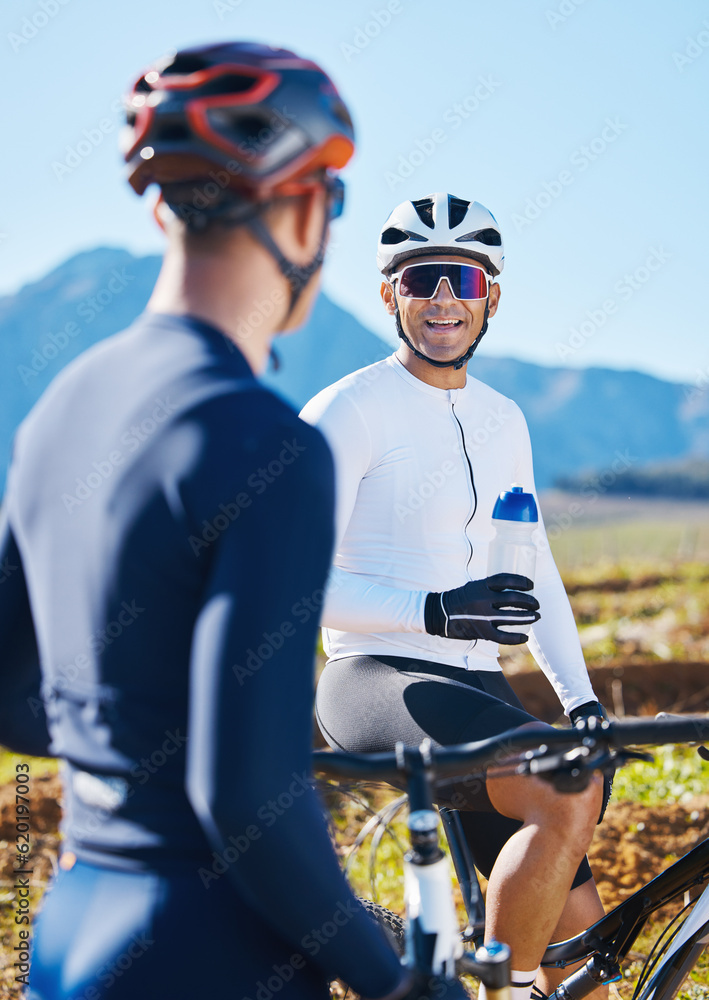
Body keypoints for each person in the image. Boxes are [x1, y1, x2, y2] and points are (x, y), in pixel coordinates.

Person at [0, 42, 414, 1000]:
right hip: (211, 953)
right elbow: (249, 806)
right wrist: (388, 979)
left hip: (71, 933)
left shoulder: (60, 409)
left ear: (160, 205)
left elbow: (11, 690)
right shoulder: (268, 447)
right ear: (308, 207)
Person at [301, 192, 609, 1000]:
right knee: (563, 788)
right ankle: (501, 990)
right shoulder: (347, 409)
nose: (443, 299)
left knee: (584, 961)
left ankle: (531, 977)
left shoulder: (505, 419)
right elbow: (290, 584)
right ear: (389, 296)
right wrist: (429, 610)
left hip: (476, 682)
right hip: (375, 678)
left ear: (490, 299)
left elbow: (534, 563)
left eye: (461, 280)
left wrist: (579, 700)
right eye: (421, 278)